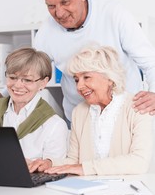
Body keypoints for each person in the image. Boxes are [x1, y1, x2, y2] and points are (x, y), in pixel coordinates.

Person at [0, 0, 155, 124]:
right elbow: (30, 71)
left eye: (65, 2)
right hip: (79, 119)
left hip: (125, 114)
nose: (59, 13)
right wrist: (3, 94)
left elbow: (150, 62)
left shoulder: (114, 14)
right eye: (51, 6)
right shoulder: (47, 31)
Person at [27, 45, 153, 176]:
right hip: (87, 189)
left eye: (86, 77)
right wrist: (50, 163)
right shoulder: (79, 112)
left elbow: (139, 162)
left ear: (110, 78)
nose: (79, 86)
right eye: (76, 80)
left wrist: (85, 168)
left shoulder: (138, 106)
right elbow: (73, 161)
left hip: (127, 190)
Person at [0, 47, 68, 163]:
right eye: (12, 77)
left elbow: (53, 169)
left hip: (32, 180)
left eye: (27, 80)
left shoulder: (54, 125)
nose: (17, 85)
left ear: (43, 83)